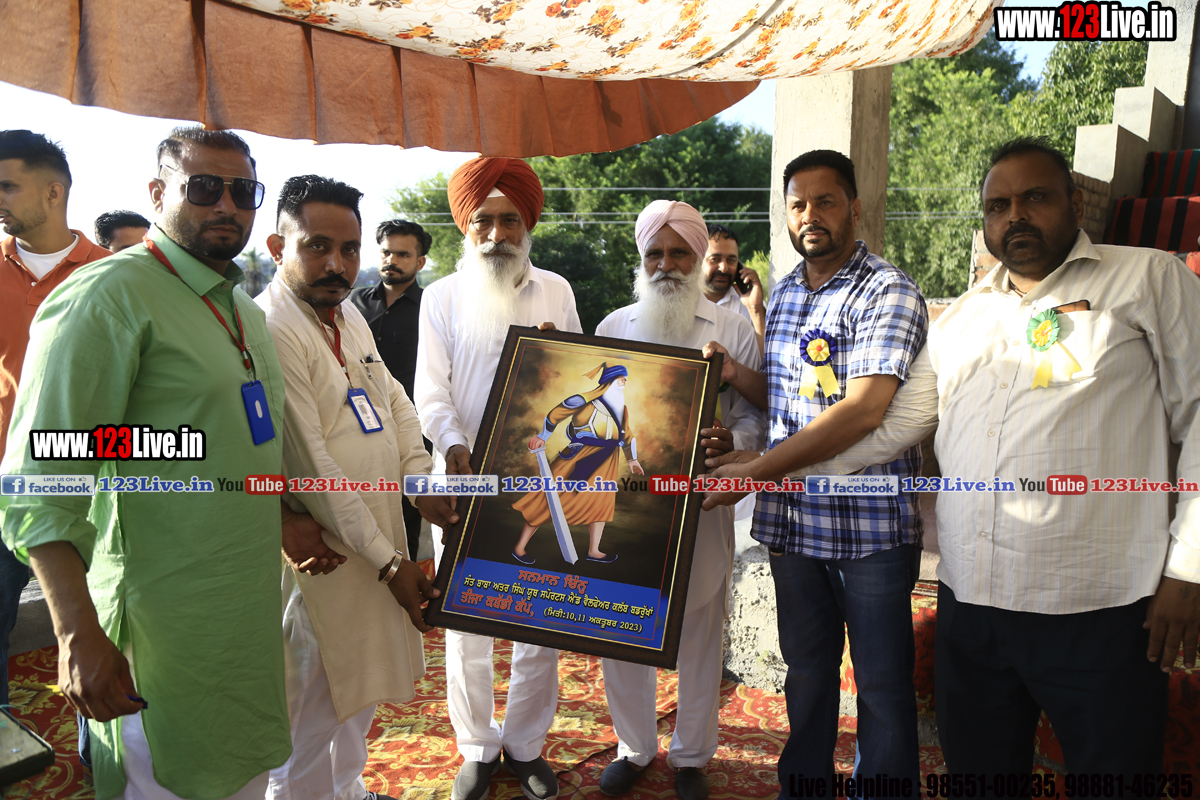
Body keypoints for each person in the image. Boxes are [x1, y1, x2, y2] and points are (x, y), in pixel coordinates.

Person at [0, 126, 314, 799]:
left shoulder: (240, 308)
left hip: (245, 615)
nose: (225, 204)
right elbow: (41, 481)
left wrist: (286, 513)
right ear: (157, 193)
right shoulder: (106, 296)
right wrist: (76, 633)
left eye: (243, 191)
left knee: (244, 779)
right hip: (157, 631)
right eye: (203, 187)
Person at [927, 137, 1200, 788]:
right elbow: (891, 426)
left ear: (1076, 203)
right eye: (998, 206)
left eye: (1035, 197)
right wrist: (767, 465)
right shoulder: (961, 318)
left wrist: (1189, 567)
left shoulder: (1148, 278)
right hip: (971, 605)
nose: (1015, 216)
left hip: (1100, 609)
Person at [701, 150, 927, 792]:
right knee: (805, 671)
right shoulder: (786, 293)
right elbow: (787, 397)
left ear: (854, 208)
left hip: (869, 528)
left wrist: (756, 472)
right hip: (795, 527)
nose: (810, 216)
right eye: (797, 204)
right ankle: (804, 785)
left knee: (881, 683)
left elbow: (862, 411)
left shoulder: (887, 290)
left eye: (825, 202)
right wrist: (734, 373)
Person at [258, 175, 457, 800]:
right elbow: (311, 466)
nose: (336, 265)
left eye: (348, 249)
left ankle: (346, 790)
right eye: (317, 246)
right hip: (328, 552)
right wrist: (391, 563)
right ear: (277, 247)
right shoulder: (274, 326)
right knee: (312, 706)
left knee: (359, 691)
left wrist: (418, 478)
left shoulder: (345, 313)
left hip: (376, 537)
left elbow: (393, 400)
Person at [414, 156, 581, 800]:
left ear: (527, 225)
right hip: (464, 476)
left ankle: (527, 745)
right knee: (468, 622)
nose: (496, 234)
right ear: (466, 226)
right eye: (483, 221)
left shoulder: (555, 290)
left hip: (541, 475)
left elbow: (580, 379)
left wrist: (557, 359)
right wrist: (453, 446)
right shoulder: (441, 296)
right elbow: (431, 392)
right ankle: (477, 747)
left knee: (539, 617)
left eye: (510, 220)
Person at [593, 200, 764, 800]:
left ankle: (691, 756)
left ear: (697, 258)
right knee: (621, 625)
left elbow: (754, 416)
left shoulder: (732, 327)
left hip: (700, 504)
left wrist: (733, 441)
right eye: (655, 254)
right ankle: (634, 747)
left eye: (679, 253)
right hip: (627, 504)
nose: (666, 264)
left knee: (700, 627)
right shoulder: (614, 328)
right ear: (641, 260)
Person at [0, 130, 110, 711]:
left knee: (102, 629)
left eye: (6, 186)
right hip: (4, 483)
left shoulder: (115, 277)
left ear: (53, 191)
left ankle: (106, 750)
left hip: (89, 490)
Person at [350, 218, 434, 558]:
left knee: (408, 511)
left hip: (410, 430)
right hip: (354, 427)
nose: (392, 260)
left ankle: (406, 577)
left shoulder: (431, 308)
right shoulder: (351, 304)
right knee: (356, 508)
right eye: (386, 252)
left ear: (420, 261)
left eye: (403, 254)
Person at [511, 363, 643, 564]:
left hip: (608, 459)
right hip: (578, 456)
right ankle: (520, 547)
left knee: (601, 502)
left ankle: (594, 551)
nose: (625, 381)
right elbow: (555, 414)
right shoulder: (582, 401)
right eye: (621, 378)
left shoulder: (622, 409)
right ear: (610, 380)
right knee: (547, 498)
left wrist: (632, 459)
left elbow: (627, 434)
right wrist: (543, 436)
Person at [701, 223, 765, 351]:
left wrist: (756, 310)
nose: (724, 268)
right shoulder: (681, 300)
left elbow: (764, 360)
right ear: (697, 260)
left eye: (731, 260)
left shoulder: (749, 305)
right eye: (715, 259)